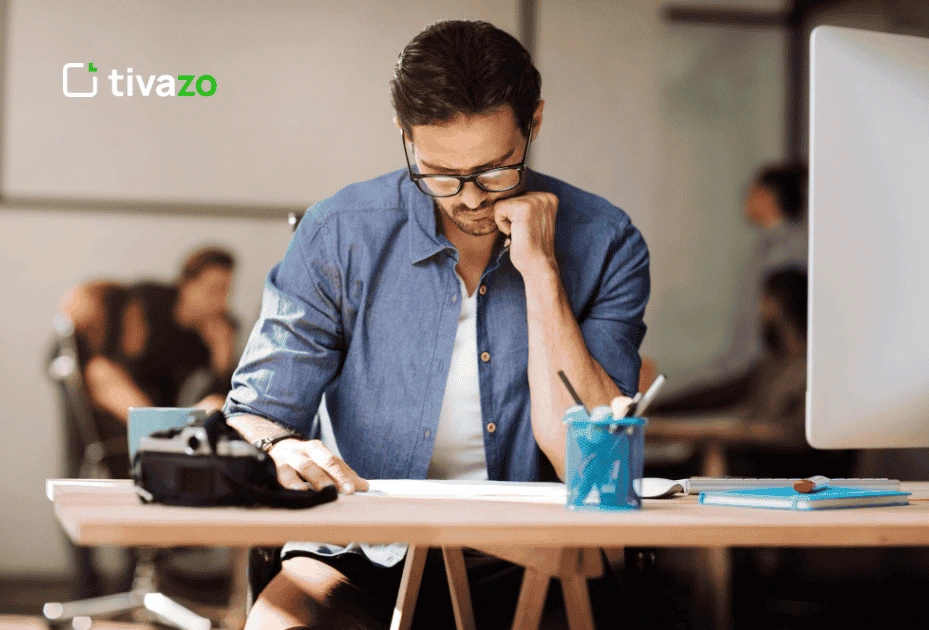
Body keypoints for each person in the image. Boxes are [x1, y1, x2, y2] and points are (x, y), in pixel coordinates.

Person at [224, 20, 650, 630]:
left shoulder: (606, 242)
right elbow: (254, 413)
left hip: (537, 558)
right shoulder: (339, 234)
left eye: (496, 169)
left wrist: (541, 272)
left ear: (534, 123)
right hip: (361, 553)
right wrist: (281, 446)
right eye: (440, 175)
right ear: (405, 137)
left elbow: (591, 464)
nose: (471, 199)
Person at [58, 247, 239, 472]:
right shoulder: (101, 369)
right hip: (127, 460)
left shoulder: (207, 337)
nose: (144, 327)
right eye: (136, 319)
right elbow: (150, 425)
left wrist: (221, 361)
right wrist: (197, 415)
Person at [642, 161, 809, 399]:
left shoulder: (790, 252)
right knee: (661, 393)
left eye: (751, 192)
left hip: (754, 371)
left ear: (768, 196)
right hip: (740, 364)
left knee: (661, 400)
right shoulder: (765, 249)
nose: (745, 200)